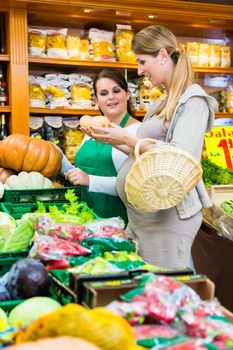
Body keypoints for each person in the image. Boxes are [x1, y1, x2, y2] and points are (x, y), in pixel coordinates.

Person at [87, 25, 218, 269]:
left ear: (162, 55)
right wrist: (113, 140)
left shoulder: (194, 102)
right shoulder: (160, 103)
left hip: (167, 217)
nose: (139, 70)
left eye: (142, 61)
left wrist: (128, 139)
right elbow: (147, 156)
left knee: (162, 292)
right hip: (144, 218)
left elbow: (180, 158)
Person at [63, 68, 140, 224]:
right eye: (104, 93)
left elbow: (135, 186)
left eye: (116, 91)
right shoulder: (91, 130)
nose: (111, 97)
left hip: (117, 221)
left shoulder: (137, 132)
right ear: (97, 100)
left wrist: (90, 180)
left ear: (128, 94)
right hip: (84, 216)